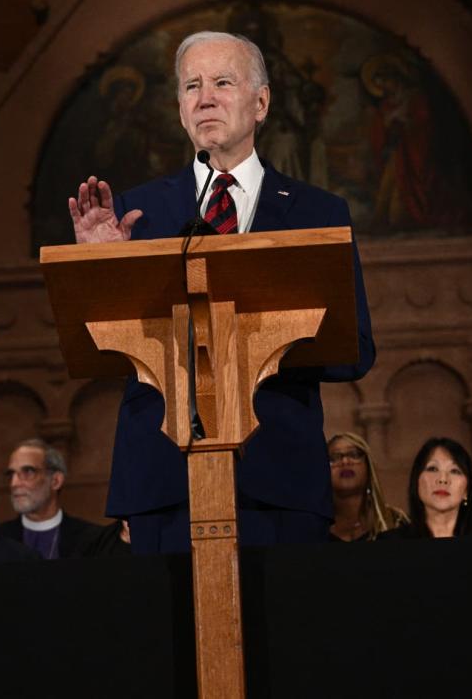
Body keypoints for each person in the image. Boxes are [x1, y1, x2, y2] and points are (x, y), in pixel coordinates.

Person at [67, 30, 375, 553]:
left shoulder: (316, 213)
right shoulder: (131, 214)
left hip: (278, 479)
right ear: (181, 109)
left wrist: (261, 333)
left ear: (261, 102)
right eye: (192, 86)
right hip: (163, 478)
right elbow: (96, 347)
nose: (205, 96)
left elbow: (355, 350)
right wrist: (103, 265)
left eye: (223, 82)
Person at [0, 438, 122, 558]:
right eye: (11, 474)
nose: (14, 483)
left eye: (28, 472)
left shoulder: (92, 538)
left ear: (56, 481)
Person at [381, 437, 472, 539]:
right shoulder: (389, 542)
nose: (442, 479)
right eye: (433, 469)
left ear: (467, 490)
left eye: (454, 471)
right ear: (417, 482)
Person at [326, 431, 406, 541]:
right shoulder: (312, 527)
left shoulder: (394, 520)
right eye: (335, 457)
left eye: (354, 455)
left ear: (368, 466)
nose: (345, 461)